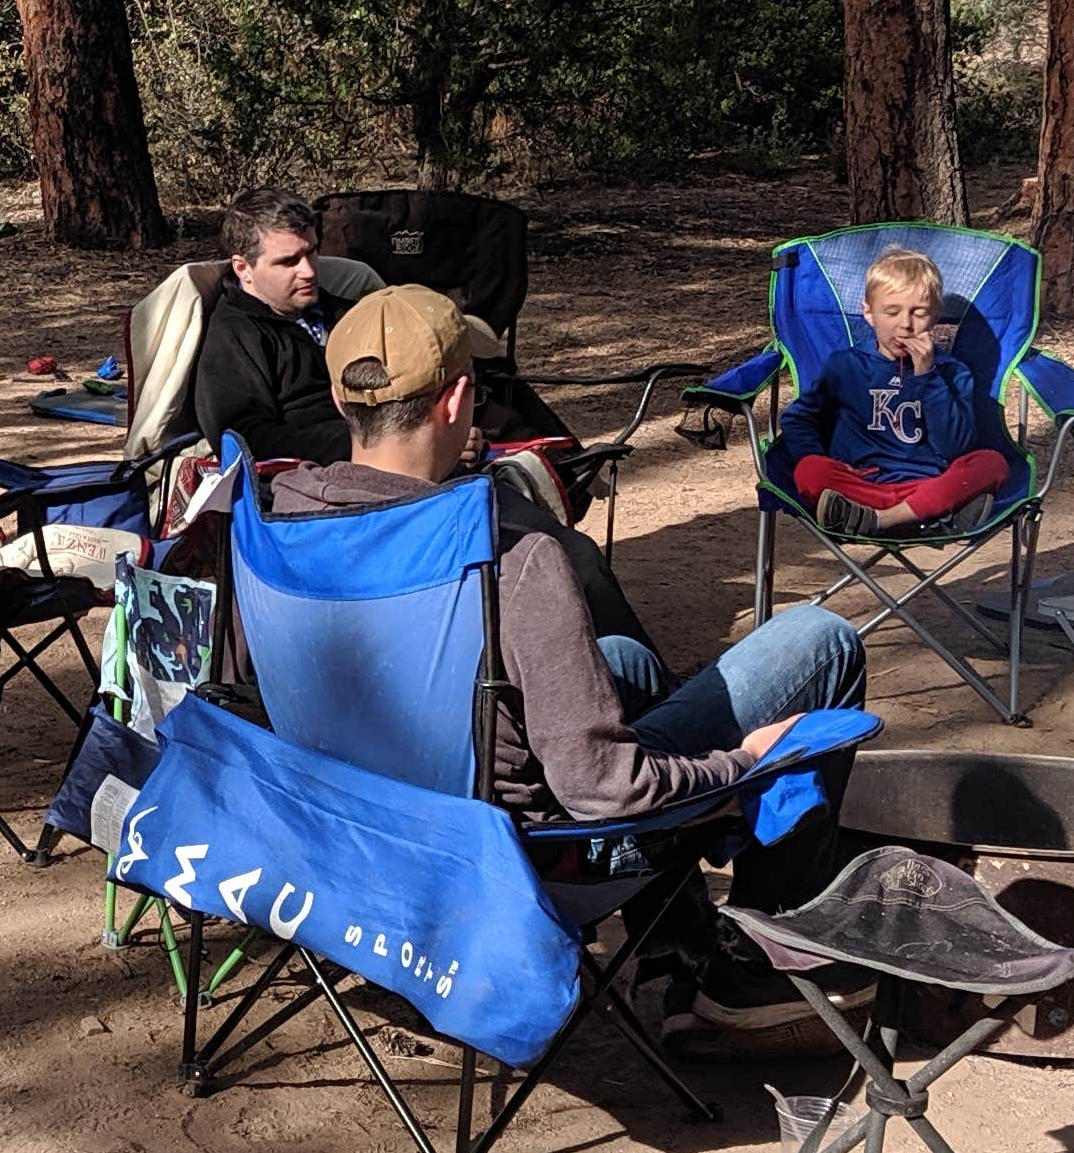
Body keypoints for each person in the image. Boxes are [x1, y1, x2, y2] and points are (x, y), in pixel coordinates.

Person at [269, 285, 865, 838]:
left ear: (339, 402)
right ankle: (770, 924)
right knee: (824, 638)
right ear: (456, 400)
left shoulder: (277, 523)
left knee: (627, 662)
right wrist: (741, 764)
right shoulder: (509, 557)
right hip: (522, 849)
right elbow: (605, 790)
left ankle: (682, 939)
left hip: (359, 826)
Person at [771, 244, 1015, 538]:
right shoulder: (846, 366)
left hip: (927, 483)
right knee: (810, 470)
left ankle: (885, 519)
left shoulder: (951, 372)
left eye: (919, 313)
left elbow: (955, 447)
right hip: (862, 485)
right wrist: (823, 458)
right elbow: (798, 419)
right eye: (892, 312)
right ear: (869, 313)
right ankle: (937, 515)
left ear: (936, 316)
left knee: (990, 463)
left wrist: (928, 375)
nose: (906, 325)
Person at [188, 189, 353, 467]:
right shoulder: (234, 337)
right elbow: (245, 439)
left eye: (312, 252)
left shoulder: (349, 313)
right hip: (317, 480)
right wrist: (365, 444)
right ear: (243, 269)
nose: (309, 271)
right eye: (289, 262)